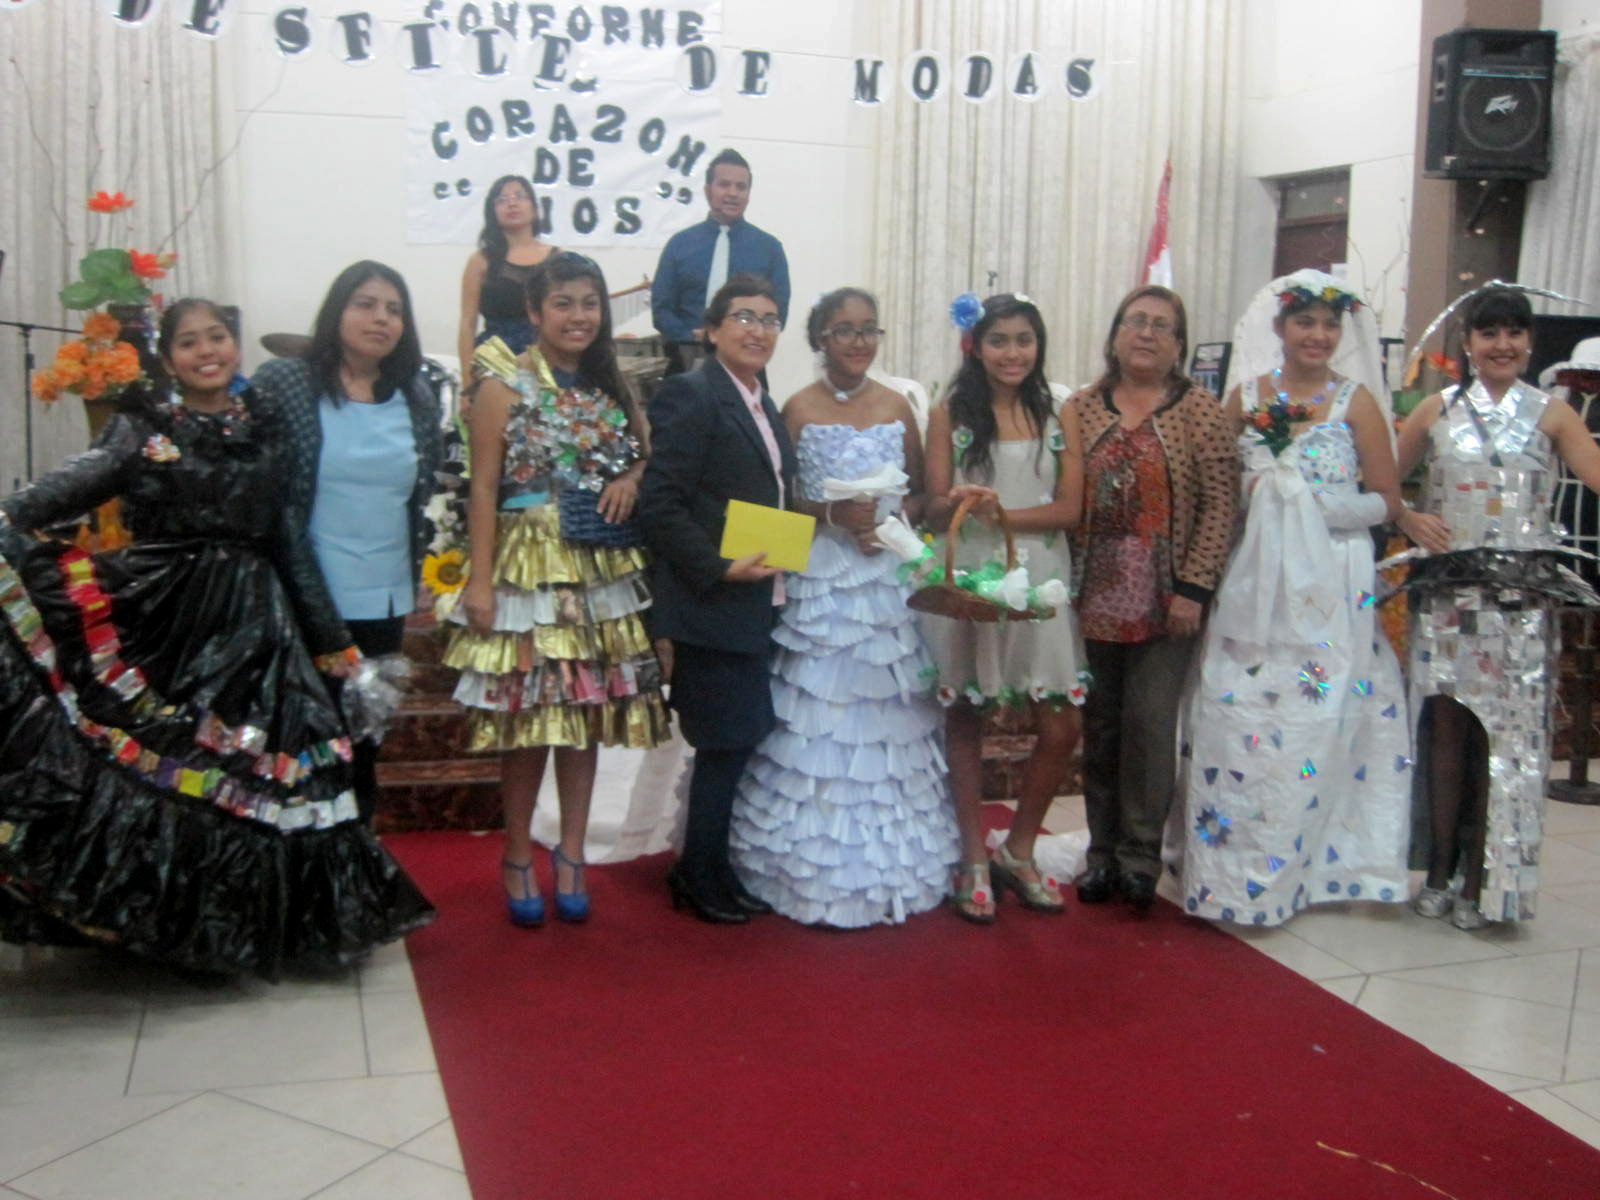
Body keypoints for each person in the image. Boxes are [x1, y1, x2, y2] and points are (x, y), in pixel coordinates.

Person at [0, 299, 434, 977]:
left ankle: (242, 930)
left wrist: (332, 641)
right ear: (168, 358)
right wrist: (10, 517)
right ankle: (172, 924)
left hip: (256, 621)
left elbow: (288, 537)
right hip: (162, 614)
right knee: (169, 766)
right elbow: (68, 488)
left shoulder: (266, 426)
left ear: (235, 346)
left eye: (218, 338)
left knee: (261, 770)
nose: (207, 352)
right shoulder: (143, 426)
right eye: (189, 343)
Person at [1174, 271, 1409, 927]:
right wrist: (1261, 498)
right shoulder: (1245, 397)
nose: (1318, 335)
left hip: (1332, 576)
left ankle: (1310, 868)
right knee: (1236, 706)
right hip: (1257, 575)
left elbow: (1387, 500)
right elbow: (1215, 487)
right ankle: (1227, 866)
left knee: (1318, 712)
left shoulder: (1356, 403)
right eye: (1305, 322)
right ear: (1279, 328)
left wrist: (1311, 505)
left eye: (1330, 325)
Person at [446, 252, 671, 927]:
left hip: (598, 570)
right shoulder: (503, 383)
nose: (579, 316)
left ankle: (571, 852)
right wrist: (479, 581)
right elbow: (483, 487)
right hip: (528, 566)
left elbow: (645, 457)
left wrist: (631, 477)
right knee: (528, 721)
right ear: (535, 312)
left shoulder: (611, 382)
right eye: (564, 303)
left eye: (589, 303)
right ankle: (518, 853)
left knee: (584, 717)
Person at [728, 288, 959, 926]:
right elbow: (778, 501)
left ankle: (891, 862)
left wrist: (889, 520)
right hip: (821, 578)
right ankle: (806, 862)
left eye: (868, 330)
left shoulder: (898, 405)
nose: (858, 342)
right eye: (844, 330)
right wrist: (832, 515)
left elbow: (919, 497)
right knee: (816, 710)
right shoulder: (796, 407)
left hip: (884, 577)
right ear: (820, 339)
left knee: (887, 709)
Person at [1394, 286, 1600, 929]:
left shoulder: (1552, 413)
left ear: (1530, 342)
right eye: (1489, 333)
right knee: (1446, 729)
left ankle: (1485, 882)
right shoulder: (1436, 409)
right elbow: (1383, 480)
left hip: (1520, 606)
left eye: (1514, 332)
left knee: (1504, 740)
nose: (1502, 345)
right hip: (1449, 599)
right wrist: (1410, 518)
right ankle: (1438, 871)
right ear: (1469, 343)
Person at [251, 261, 443, 827]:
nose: (381, 319)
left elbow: (419, 494)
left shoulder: (415, 394)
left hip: (383, 596)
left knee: (363, 742)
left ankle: (357, 857)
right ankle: (299, 860)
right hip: (303, 596)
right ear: (336, 311)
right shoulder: (286, 382)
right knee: (300, 747)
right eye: (366, 304)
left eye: (394, 309)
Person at [1067, 285, 1238, 915]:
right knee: (1100, 726)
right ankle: (1101, 854)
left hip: (1168, 600)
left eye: (1161, 326)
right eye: (1135, 321)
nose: (1146, 333)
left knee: (1149, 723)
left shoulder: (1202, 411)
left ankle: (1140, 858)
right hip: (1091, 593)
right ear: (1115, 334)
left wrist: (1195, 587)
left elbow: (1221, 506)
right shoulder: (1081, 408)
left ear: (1179, 344)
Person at [921, 293, 1088, 924]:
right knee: (967, 714)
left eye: (1024, 340)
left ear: (1038, 345)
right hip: (972, 577)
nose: (1012, 353)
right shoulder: (950, 412)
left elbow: (1070, 509)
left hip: (1040, 576)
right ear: (976, 346)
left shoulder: (1058, 410)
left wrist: (1003, 515)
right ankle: (972, 857)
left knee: (1061, 723)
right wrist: (958, 502)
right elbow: (932, 506)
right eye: (999, 340)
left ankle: (1019, 850)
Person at [639, 273, 797, 924]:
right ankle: (697, 876)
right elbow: (659, 503)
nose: (758, 329)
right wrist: (718, 567)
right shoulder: (694, 392)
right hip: (711, 601)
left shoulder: (760, 398)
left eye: (769, 319)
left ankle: (712, 868)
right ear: (711, 329)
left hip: (756, 597)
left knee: (735, 743)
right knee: (723, 744)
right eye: (744, 317)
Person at [651, 150, 790, 375]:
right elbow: (662, 310)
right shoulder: (680, 244)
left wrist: (737, 337)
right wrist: (694, 336)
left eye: (741, 187)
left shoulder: (769, 249)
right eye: (724, 185)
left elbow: (779, 313)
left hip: (747, 366)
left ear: (749, 194)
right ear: (708, 190)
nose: (732, 193)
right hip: (685, 362)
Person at [457, 175, 555, 367]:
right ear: (492, 212)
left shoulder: (557, 258)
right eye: (502, 200)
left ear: (534, 208)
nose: (512, 203)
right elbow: (468, 323)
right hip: (495, 359)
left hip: (548, 356)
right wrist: (466, 377)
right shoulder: (480, 261)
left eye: (519, 196)